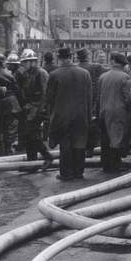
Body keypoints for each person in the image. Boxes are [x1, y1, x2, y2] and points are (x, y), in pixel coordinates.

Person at [47, 47, 92, 180]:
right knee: (79, 143)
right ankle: (79, 172)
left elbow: (49, 98)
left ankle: (66, 173)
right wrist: (88, 115)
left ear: (59, 58)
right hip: (81, 114)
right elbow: (89, 97)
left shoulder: (54, 75)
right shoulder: (85, 73)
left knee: (65, 144)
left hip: (62, 115)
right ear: (71, 57)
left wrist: (51, 116)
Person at [98, 52, 131, 173]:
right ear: (123, 64)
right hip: (119, 112)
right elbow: (128, 98)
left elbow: (99, 96)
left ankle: (105, 165)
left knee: (105, 138)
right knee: (117, 139)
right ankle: (115, 165)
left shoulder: (103, 77)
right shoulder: (125, 78)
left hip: (104, 110)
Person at [20, 49, 53, 169]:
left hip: (39, 109)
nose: (23, 65)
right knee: (28, 135)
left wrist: (39, 110)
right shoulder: (27, 74)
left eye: (25, 62)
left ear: (32, 62)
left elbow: (45, 94)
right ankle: (32, 161)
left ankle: (47, 156)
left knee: (32, 134)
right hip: (31, 109)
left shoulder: (41, 73)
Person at [77, 48, 109, 155]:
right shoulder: (95, 66)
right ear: (88, 56)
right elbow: (110, 71)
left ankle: (81, 148)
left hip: (79, 99)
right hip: (93, 97)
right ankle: (90, 148)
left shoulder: (76, 68)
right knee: (92, 122)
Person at [0, 53, 21, 155]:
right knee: (10, 127)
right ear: (3, 62)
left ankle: (0, 150)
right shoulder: (9, 74)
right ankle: (8, 149)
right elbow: (17, 89)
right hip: (11, 104)